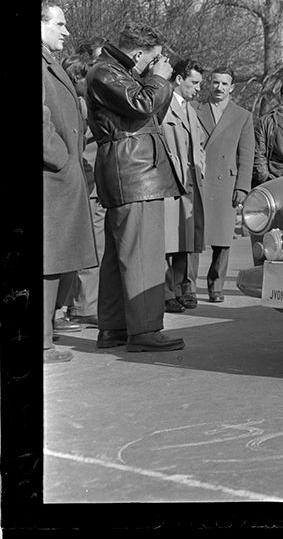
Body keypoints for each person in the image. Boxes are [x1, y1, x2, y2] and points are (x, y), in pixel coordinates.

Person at [85, 24, 184, 352]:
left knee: (121, 256)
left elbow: (149, 113)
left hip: (130, 172)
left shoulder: (118, 72)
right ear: (139, 52)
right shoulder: (105, 72)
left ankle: (114, 328)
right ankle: (144, 331)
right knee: (143, 255)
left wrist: (159, 82)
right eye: (153, 58)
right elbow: (142, 105)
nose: (156, 65)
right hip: (134, 174)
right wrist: (159, 79)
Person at [42, 0, 98, 362]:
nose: (66, 31)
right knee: (47, 263)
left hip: (58, 178)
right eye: (59, 24)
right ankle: (42, 342)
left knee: (53, 262)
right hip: (52, 179)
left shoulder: (48, 61)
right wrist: (63, 161)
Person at [196, 67, 254, 303]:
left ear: (232, 88)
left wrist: (242, 187)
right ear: (209, 84)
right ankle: (186, 287)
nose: (219, 88)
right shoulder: (195, 109)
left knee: (222, 240)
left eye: (224, 84)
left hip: (226, 184)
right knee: (194, 237)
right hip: (200, 180)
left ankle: (216, 286)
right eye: (215, 82)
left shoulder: (243, 116)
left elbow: (246, 155)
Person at [58, 52, 102, 329]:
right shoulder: (79, 104)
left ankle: (83, 304)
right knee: (87, 246)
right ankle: (80, 306)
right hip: (84, 182)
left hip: (90, 181)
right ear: (78, 78)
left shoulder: (79, 102)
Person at [161, 59, 206, 313]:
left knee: (184, 240)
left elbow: (199, 144)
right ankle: (166, 292)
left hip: (190, 184)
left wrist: (201, 167)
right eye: (194, 82)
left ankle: (180, 290)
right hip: (170, 183)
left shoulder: (190, 109)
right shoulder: (162, 105)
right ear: (179, 79)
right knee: (167, 241)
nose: (198, 89)